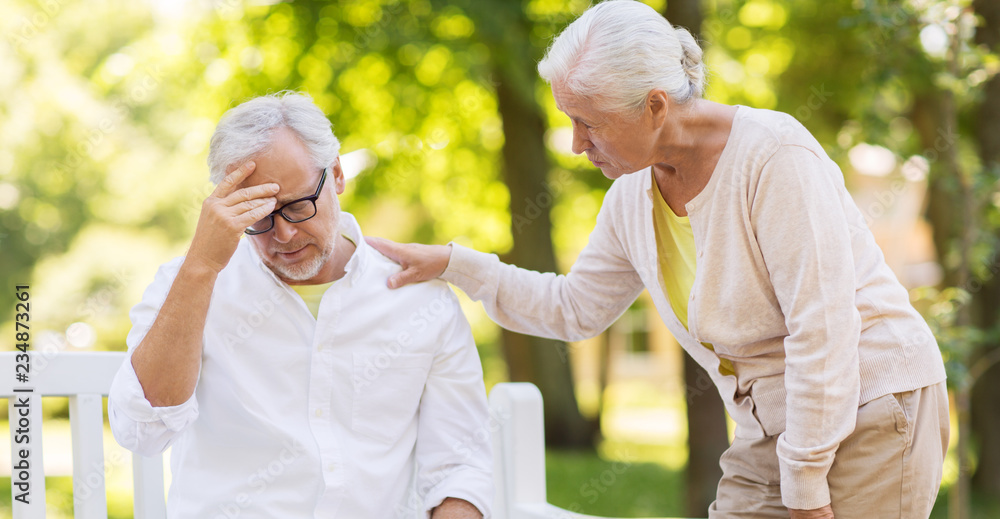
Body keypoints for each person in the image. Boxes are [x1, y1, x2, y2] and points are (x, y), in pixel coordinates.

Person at [367, 1, 949, 518]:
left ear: (654, 106)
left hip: (870, 403)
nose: (575, 143)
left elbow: (821, 329)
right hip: (774, 428)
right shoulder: (630, 200)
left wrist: (805, 486)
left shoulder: (774, 157)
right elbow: (573, 309)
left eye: (588, 122)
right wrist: (453, 264)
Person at [107, 92, 492, 519]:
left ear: (338, 174)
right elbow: (142, 431)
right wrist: (201, 268)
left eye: (296, 206)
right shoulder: (189, 284)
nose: (284, 236)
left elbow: (459, 469)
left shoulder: (421, 300)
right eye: (258, 216)